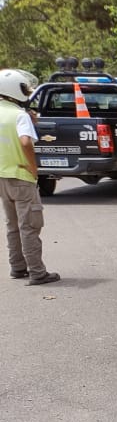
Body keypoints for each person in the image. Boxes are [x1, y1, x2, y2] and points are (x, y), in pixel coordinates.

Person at [0, 69, 57, 286]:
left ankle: (17, 267)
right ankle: (37, 272)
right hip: (21, 176)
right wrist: (33, 169)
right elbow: (25, 142)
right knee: (30, 225)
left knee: (12, 225)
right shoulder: (19, 115)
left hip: (2, 176)